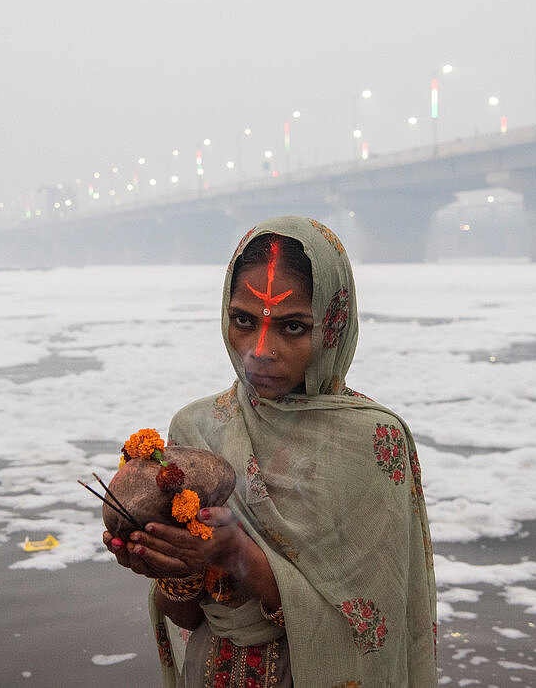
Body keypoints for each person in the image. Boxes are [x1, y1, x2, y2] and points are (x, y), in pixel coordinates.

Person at [104, 215, 437, 687]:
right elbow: (187, 616)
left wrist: (240, 555)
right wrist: (163, 561)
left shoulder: (372, 443)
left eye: (293, 327)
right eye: (244, 320)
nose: (260, 350)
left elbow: (372, 629)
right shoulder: (196, 429)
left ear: (334, 326)